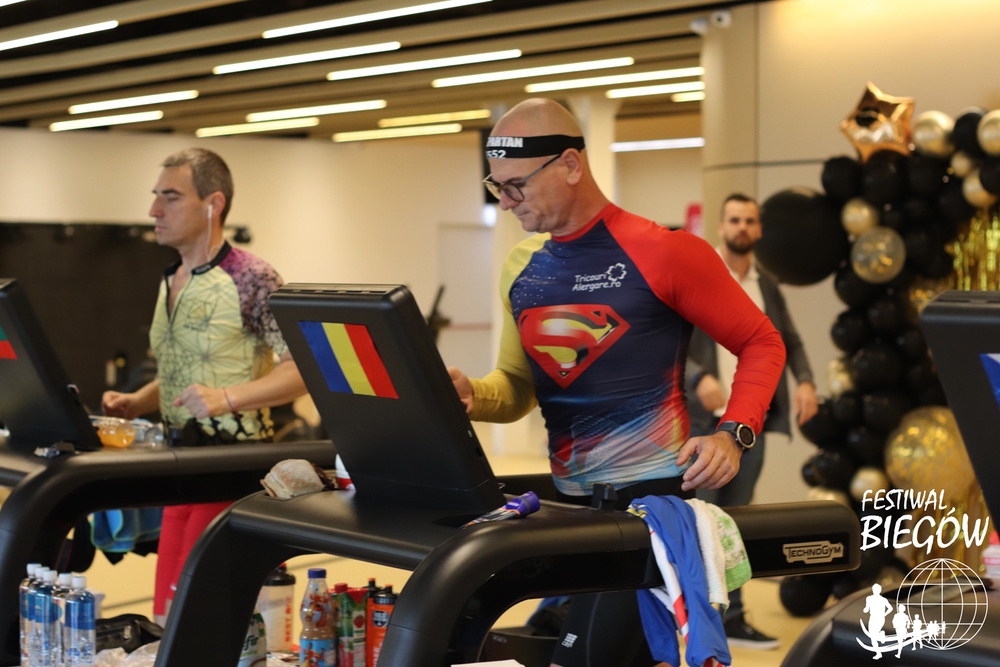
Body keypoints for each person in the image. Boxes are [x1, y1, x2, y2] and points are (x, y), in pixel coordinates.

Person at [448, 98, 786, 667]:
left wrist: (735, 433)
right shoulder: (521, 267)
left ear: (570, 164)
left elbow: (762, 341)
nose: (504, 201)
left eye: (516, 185)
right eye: (496, 186)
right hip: (569, 512)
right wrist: (471, 396)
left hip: (647, 513)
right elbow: (517, 386)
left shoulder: (666, 252)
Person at [101, 148, 306, 625]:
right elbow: (190, 369)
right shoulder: (171, 279)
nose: (154, 210)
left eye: (170, 197)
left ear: (213, 204)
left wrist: (228, 399)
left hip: (229, 466)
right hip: (181, 465)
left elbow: (303, 369)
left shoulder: (251, 277)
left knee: (196, 616)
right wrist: (138, 401)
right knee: (165, 613)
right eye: (155, 196)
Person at [686, 193, 818, 649]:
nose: (742, 227)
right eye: (734, 220)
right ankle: (698, 618)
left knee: (735, 520)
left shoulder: (767, 285)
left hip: (746, 426)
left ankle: (732, 616)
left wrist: (805, 381)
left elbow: (788, 341)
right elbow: (669, 342)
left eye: (749, 220)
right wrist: (699, 376)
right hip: (701, 425)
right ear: (721, 227)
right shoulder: (699, 274)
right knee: (702, 522)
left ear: (759, 230)